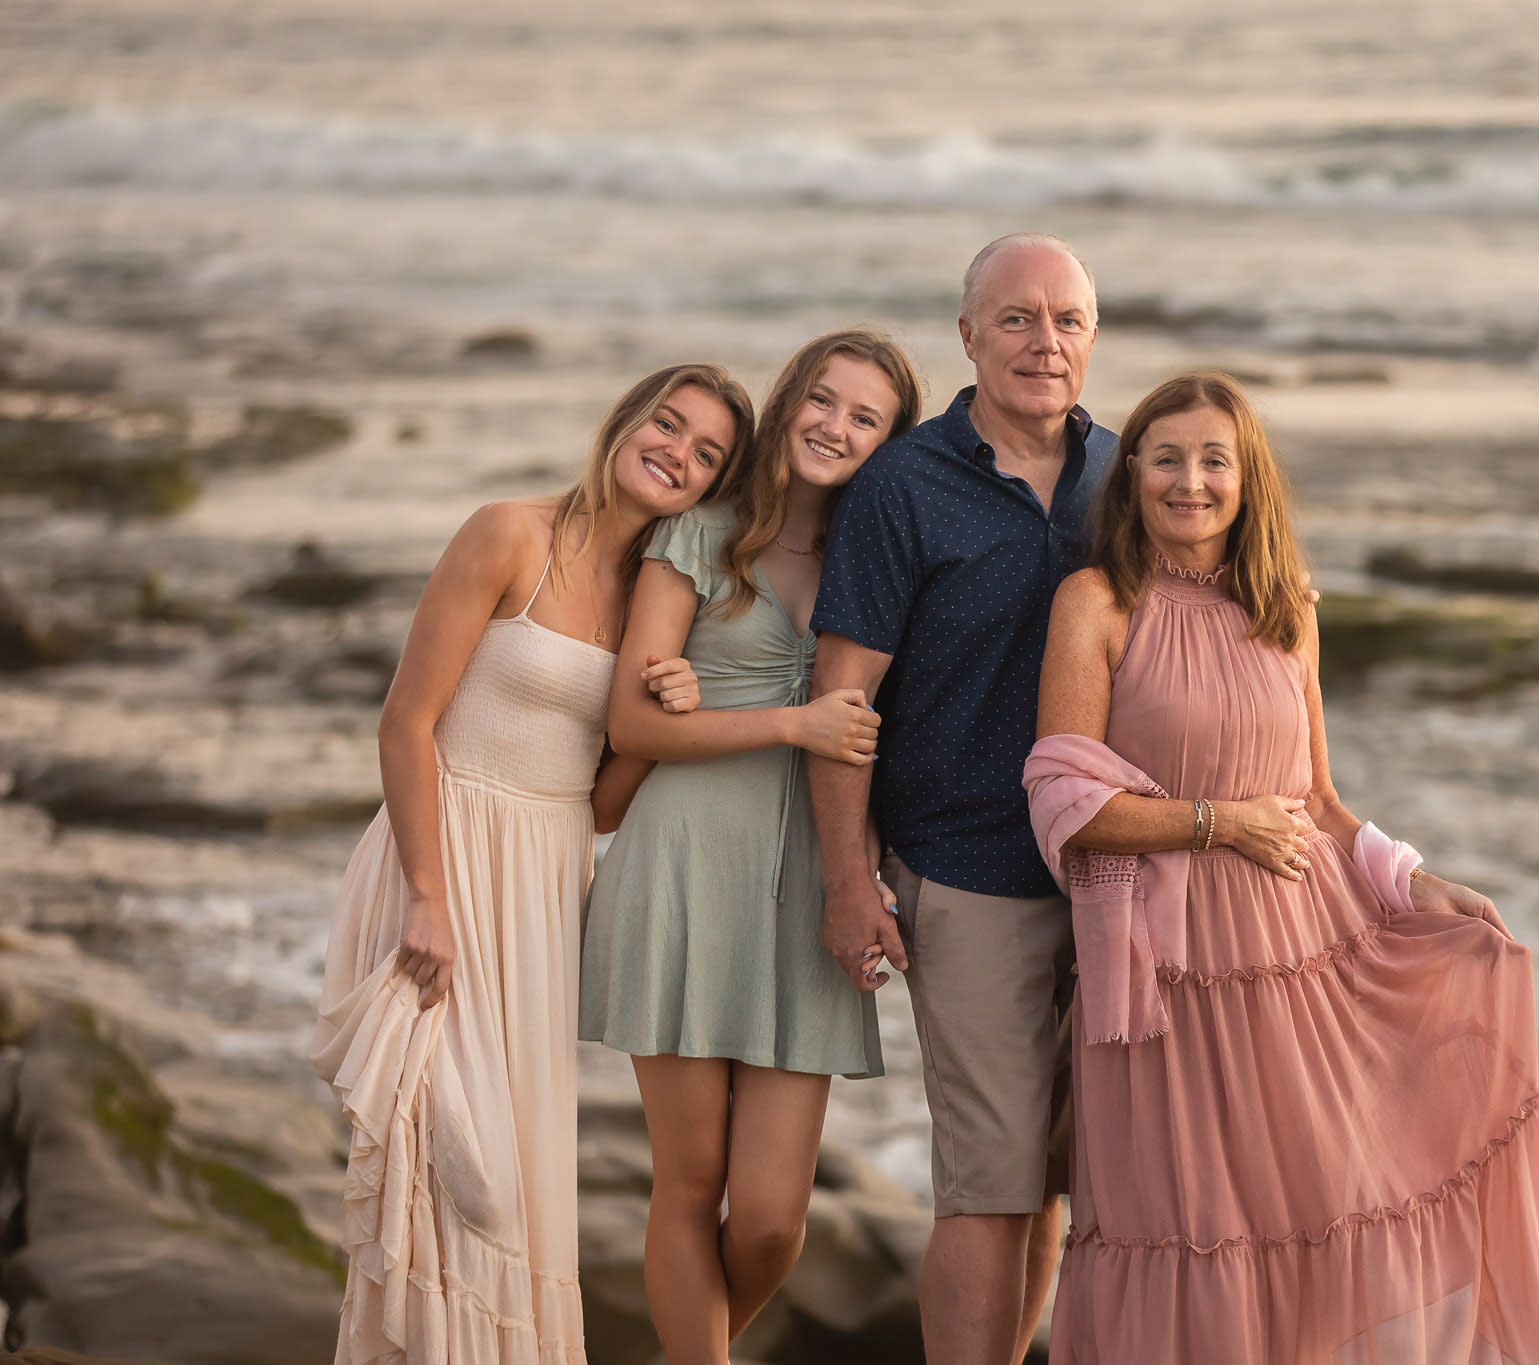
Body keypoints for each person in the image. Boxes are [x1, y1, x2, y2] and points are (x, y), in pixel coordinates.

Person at [1026, 373, 1539, 1364]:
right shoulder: (1094, 602)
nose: (1190, 482)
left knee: (1321, 1209)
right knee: (1186, 1224)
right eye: (1168, 458)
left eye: (1213, 460)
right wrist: (1216, 825)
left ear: (1246, 476)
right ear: (1130, 472)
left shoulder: (1286, 607)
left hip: (1299, 956)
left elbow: (1317, 800)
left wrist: (1412, 881)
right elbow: (1065, 800)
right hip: (1163, 978)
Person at [311, 364, 754, 1364]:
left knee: (512, 1184)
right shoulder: (509, 533)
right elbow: (405, 724)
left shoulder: (657, 595)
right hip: (444, 855)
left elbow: (593, 804)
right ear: (627, 419)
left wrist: (661, 720)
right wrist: (428, 895)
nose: (675, 452)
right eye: (667, 424)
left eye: (705, 453)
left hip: (547, 888)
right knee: (452, 1168)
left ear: (712, 486)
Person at [580, 330, 922, 1365]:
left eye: (866, 418)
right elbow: (633, 728)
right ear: (790, 403)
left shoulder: (886, 560)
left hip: (809, 893)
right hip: (680, 867)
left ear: (889, 444)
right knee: (688, 1185)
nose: (836, 427)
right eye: (824, 401)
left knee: (773, 1217)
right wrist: (791, 723)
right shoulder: (702, 530)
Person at [806, 233, 1113, 1365]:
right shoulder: (902, 486)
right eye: (1017, 318)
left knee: (1052, 1181)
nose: (1044, 342)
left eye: (1066, 320)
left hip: (1112, 877)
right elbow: (842, 701)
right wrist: (850, 880)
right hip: (966, 872)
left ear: (1092, 336)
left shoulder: (1125, 472)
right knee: (986, 1184)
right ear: (968, 336)